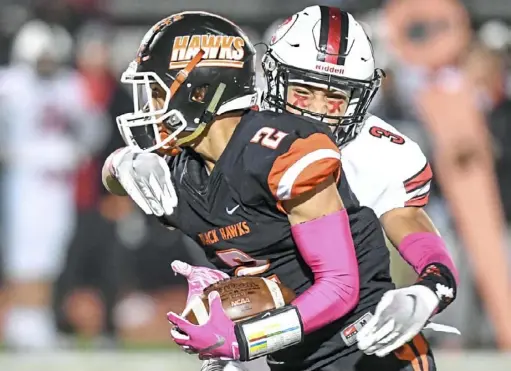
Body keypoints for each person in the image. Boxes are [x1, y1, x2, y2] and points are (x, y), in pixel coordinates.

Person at [102, 10, 455, 371]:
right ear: (272, 80)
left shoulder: (347, 152)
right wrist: (121, 162)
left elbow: (357, 271)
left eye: (335, 97)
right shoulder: (217, 138)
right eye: (303, 91)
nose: (318, 111)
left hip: (353, 342)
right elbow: (142, 171)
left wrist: (430, 289)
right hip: (283, 339)